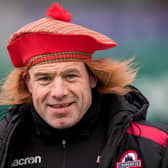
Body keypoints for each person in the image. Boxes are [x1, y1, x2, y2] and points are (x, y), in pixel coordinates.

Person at [0, 3, 167, 168]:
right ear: (28, 83)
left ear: (92, 78)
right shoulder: (5, 143)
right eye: (44, 78)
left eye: (71, 76)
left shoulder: (155, 144)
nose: (59, 92)